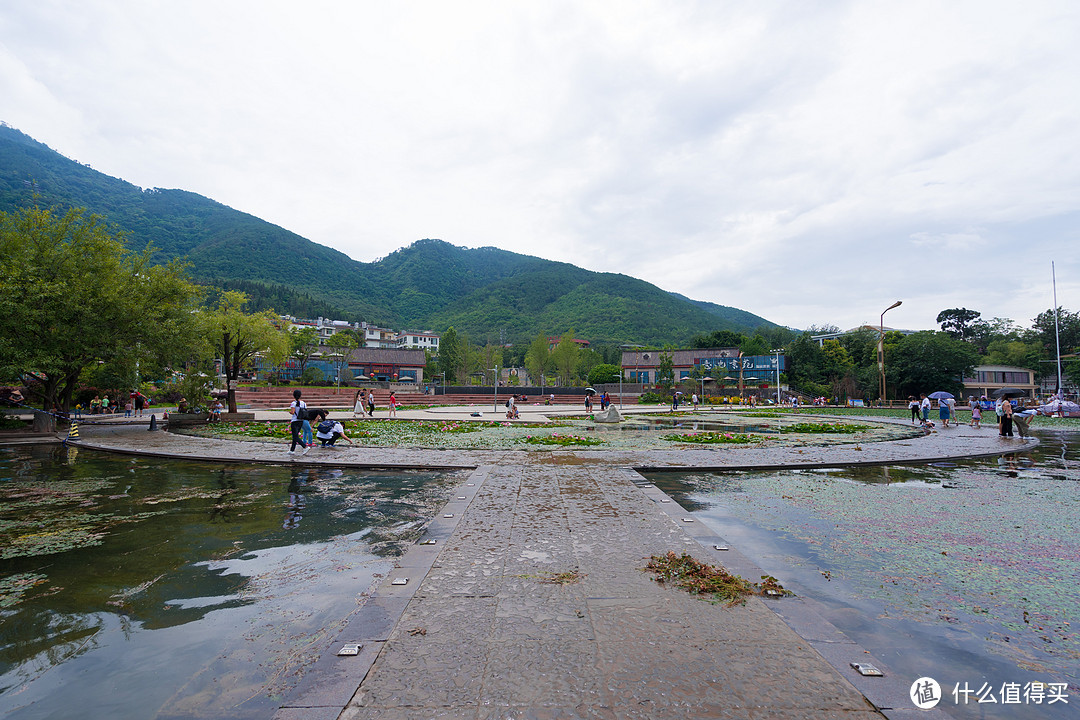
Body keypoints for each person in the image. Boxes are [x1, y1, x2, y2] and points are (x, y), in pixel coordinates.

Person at [288, 389, 310, 455]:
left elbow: (292, 412)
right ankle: (292, 450)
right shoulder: (303, 403)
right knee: (295, 436)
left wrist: (289, 412)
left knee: (295, 437)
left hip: (295, 421)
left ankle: (305, 446)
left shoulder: (293, 403)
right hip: (301, 421)